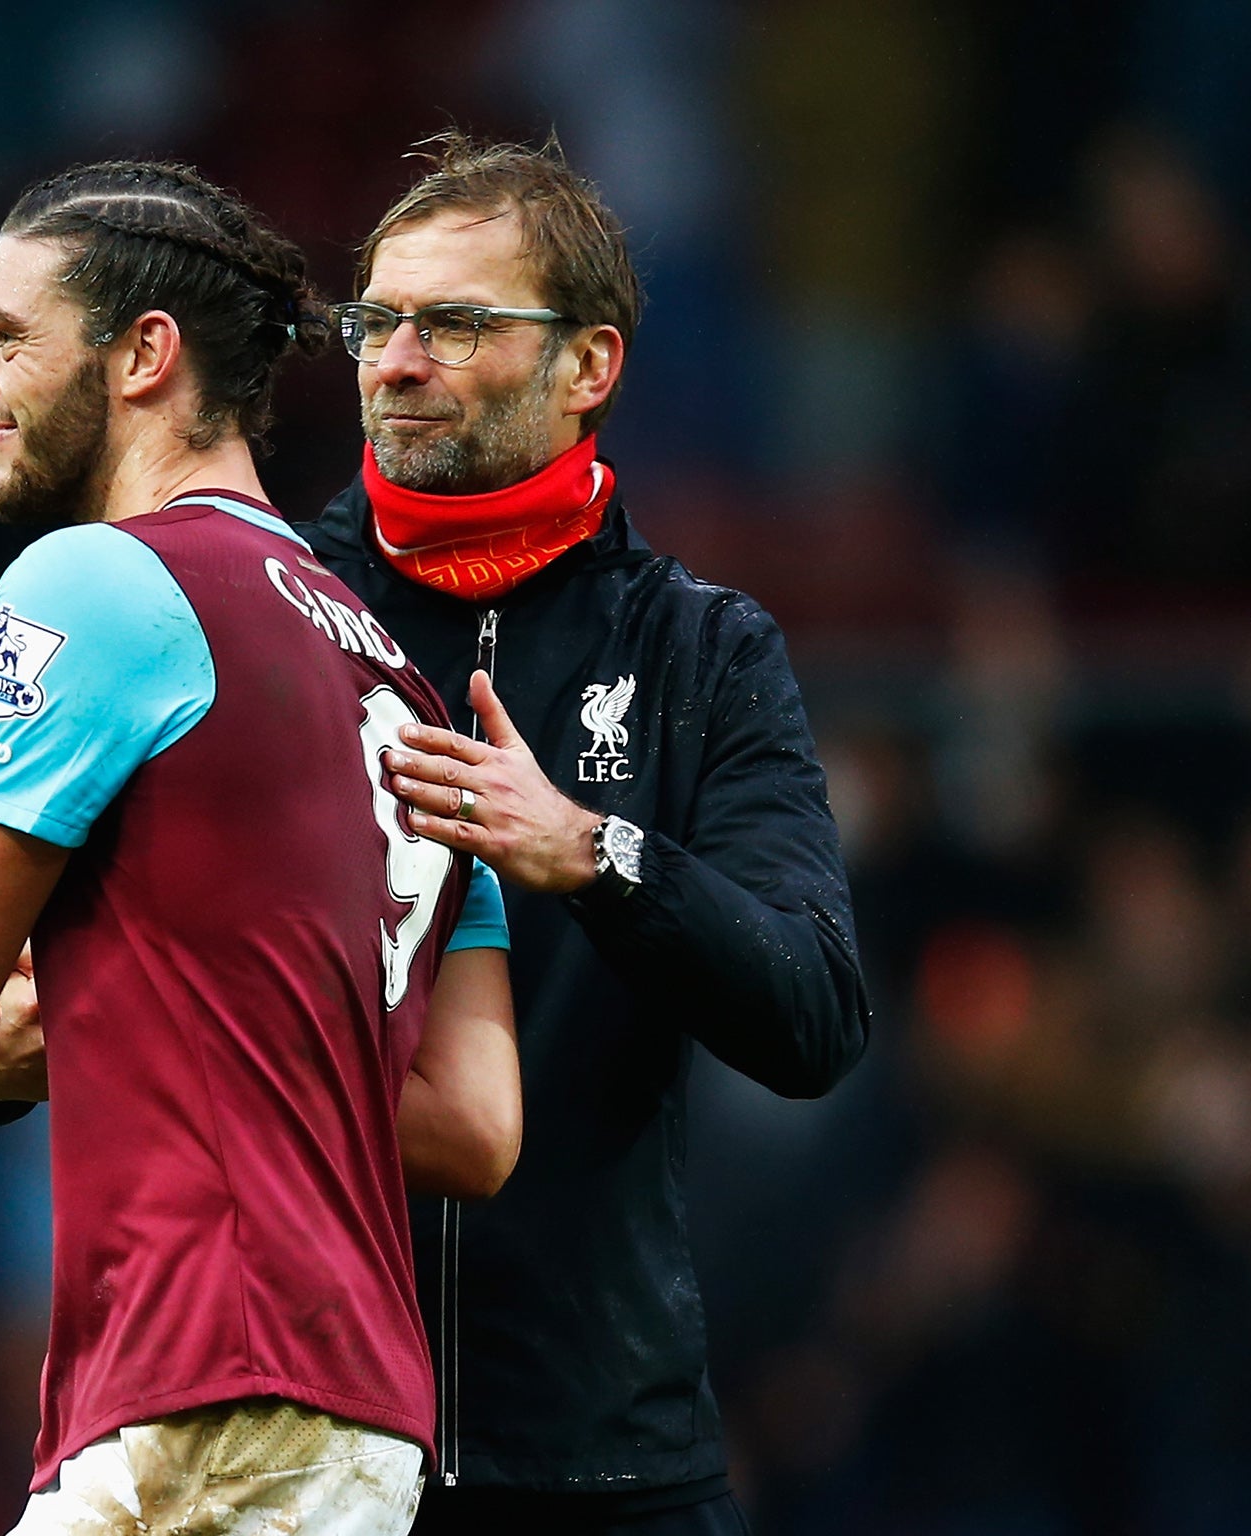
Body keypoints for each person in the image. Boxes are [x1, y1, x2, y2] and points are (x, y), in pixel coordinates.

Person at [0, 159, 520, 1536]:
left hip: (203, 1409)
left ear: (145, 354)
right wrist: (131, 1025)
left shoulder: (98, 586)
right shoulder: (401, 685)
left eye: (7, 336)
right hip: (352, 1425)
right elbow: (471, 1122)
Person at [299, 133, 872, 1534]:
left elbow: (814, 1014)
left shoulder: (702, 653)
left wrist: (592, 854)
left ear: (590, 367)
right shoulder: (258, 615)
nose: (398, 360)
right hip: (295, 1446)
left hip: (600, 1462)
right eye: (378, 322)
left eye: (456, 323)